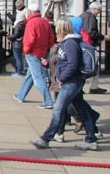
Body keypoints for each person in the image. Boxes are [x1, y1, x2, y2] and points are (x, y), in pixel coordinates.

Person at [29, 19, 99, 151]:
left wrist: (62, 78)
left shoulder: (70, 43)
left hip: (70, 82)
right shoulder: (68, 42)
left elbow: (72, 64)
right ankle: (91, 138)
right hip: (72, 81)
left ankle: (46, 138)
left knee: (58, 110)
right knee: (82, 110)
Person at [14, 3, 55, 108]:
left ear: (30, 12)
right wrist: (45, 48)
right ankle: (20, 95)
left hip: (32, 52)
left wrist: (26, 50)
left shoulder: (31, 23)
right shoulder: (45, 22)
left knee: (38, 77)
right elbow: (51, 38)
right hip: (42, 51)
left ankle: (48, 101)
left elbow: (29, 40)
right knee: (30, 75)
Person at [79, 2, 109, 94]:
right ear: (94, 9)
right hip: (88, 45)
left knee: (85, 65)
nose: (98, 13)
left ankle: (81, 87)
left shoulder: (83, 15)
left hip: (83, 44)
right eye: (98, 11)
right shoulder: (90, 17)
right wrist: (103, 37)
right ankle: (93, 86)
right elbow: (91, 33)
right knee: (93, 65)